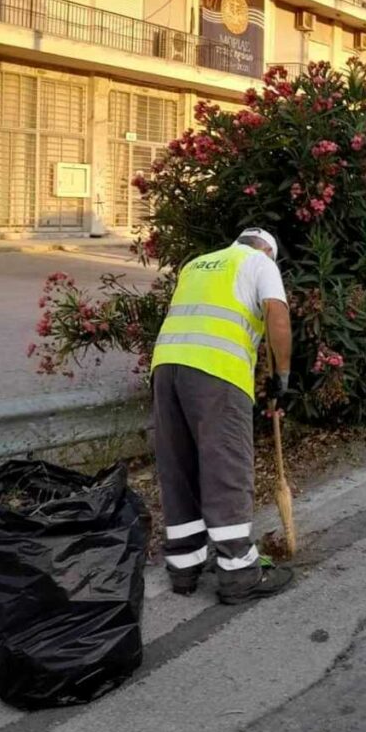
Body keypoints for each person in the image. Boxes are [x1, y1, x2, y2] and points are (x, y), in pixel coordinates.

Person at [150, 228, 293, 604]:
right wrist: (282, 376)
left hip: (166, 368)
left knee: (178, 467)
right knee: (226, 466)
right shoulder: (259, 261)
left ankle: (184, 566)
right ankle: (239, 573)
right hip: (216, 372)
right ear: (267, 250)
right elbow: (277, 314)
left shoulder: (197, 264)